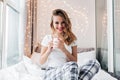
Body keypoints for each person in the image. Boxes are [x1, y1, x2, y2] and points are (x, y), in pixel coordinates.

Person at [40, 9, 100, 80]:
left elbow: (74, 60)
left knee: (95, 63)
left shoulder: (72, 39)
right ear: (52, 24)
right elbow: (41, 62)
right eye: (56, 23)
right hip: (52, 72)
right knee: (72, 65)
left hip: (70, 71)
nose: (60, 26)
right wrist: (48, 51)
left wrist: (63, 49)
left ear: (66, 23)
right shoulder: (47, 38)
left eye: (63, 22)